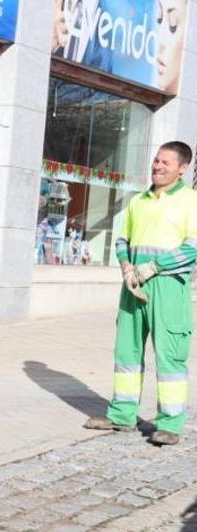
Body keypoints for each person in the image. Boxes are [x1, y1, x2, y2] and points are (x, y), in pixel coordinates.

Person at [85, 141, 197, 446]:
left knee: (170, 354)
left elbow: (193, 249)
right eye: (156, 161)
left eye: (166, 163)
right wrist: (126, 268)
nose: (158, 166)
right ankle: (122, 415)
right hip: (132, 283)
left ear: (182, 168)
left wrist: (153, 268)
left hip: (168, 286)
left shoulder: (191, 201)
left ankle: (170, 424)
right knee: (127, 352)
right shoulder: (139, 202)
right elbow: (123, 239)